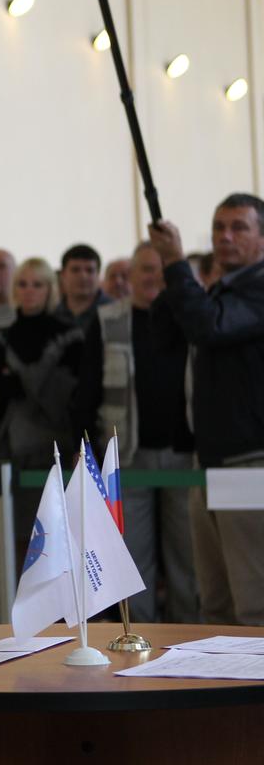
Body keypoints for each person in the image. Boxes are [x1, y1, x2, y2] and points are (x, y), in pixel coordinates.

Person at [149, 193, 264, 625]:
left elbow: (209, 326)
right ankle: (219, 692)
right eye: (218, 227)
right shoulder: (220, 290)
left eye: (239, 227)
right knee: (215, 602)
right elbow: (165, 336)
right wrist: (171, 271)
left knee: (254, 602)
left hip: (249, 462)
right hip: (210, 462)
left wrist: (177, 263)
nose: (225, 237)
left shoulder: (257, 290)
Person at [77, 242, 197, 623]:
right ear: (129, 275)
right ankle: (141, 638)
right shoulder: (106, 318)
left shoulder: (190, 318)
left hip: (185, 456)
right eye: (146, 268)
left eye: (163, 269)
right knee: (133, 560)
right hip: (128, 456)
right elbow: (88, 389)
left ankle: (190, 636)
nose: (155, 277)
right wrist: (90, 451)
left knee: (188, 560)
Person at [0, 257, 85, 569]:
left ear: (50, 289)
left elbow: (72, 391)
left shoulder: (70, 334)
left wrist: (18, 380)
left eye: (37, 284)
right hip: (12, 448)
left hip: (58, 444)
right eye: (23, 284)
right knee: (19, 538)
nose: (29, 291)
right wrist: (39, 381)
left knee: (61, 537)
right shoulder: (1, 334)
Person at [54, 243, 111, 327]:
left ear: (98, 275)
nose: (83, 277)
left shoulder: (116, 313)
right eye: (75, 270)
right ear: (63, 275)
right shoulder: (53, 315)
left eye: (89, 270)